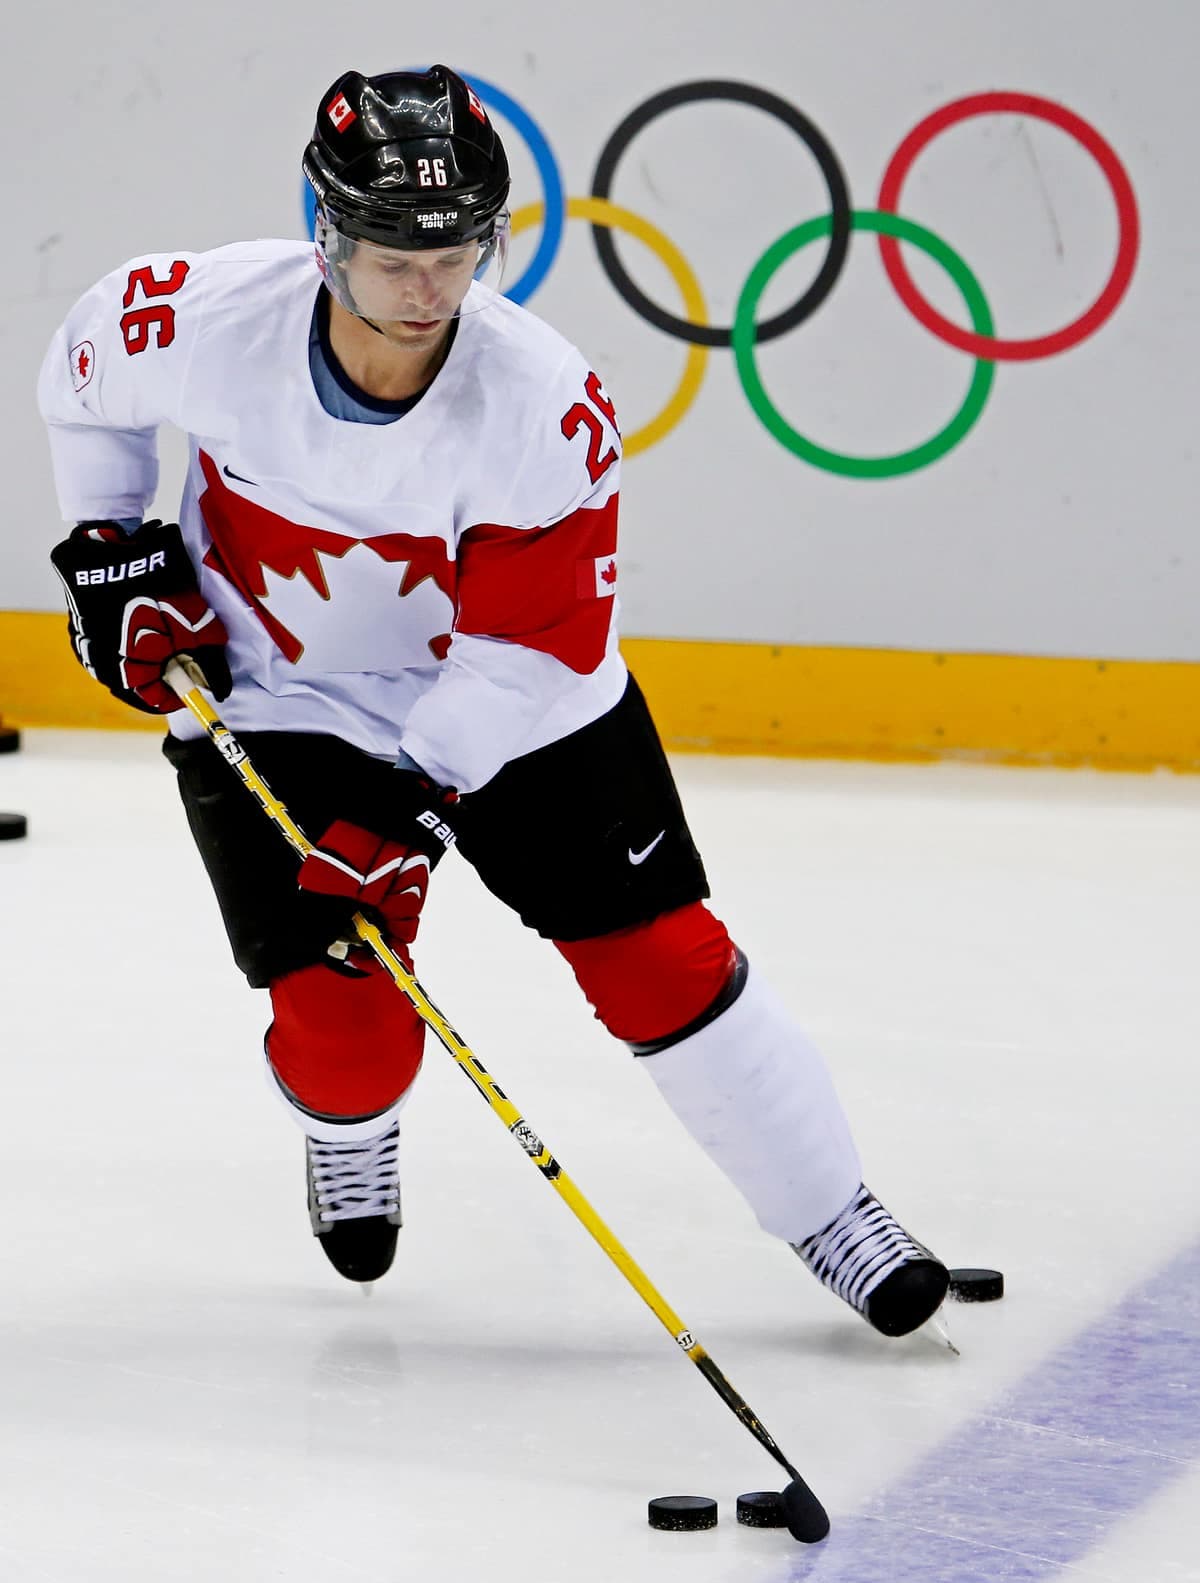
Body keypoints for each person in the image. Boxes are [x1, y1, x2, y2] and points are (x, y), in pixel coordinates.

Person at [38, 65, 949, 1337]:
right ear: (326, 233)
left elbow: (524, 654)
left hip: (526, 707)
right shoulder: (200, 319)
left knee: (663, 964)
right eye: (396, 255)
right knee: (350, 1026)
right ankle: (346, 1125)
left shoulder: (541, 403)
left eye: (458, 252)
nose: (430, 292)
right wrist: (112, 550)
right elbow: (84, 380)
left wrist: (405, 812)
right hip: (284, 695)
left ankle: (833, 1209)